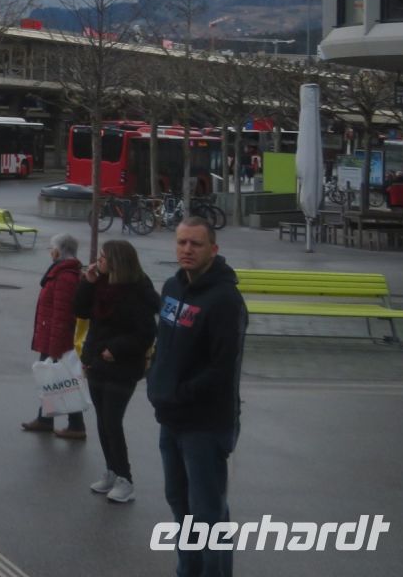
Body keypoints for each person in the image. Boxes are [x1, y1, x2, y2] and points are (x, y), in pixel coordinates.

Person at [146, 217, 247, 577]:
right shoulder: (172, 287)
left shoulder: (225, 300)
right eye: (182, 243)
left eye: (196, 244)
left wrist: (177, 393)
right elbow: (163, 345)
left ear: (213, 250)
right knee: (180, 505)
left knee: (208, 514)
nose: (187, 250)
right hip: (171, 419)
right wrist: (154, 381)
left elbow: (222, 369)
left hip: (206, 424)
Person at [73, 239, 159, 504]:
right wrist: (86, 283)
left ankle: (125, 478)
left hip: (122, 365)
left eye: (103, 257)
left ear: (117, 261)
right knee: (101, 420)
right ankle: (111, 470)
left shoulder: (138, 290)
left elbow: (146, 332)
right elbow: (81, 311)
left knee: (112, 420)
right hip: (96, 361)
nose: (98, 260)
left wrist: (116, 349)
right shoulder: (100, 283)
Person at [22, 233, 86, 440]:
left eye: (51, 247)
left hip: (56, 338)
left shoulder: (65, 276)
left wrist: (55, 346)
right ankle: (47, 419)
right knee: (52, 379)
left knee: (60, 380)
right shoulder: (62, 272)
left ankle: (74, 424)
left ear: (59, 251)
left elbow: (62, 312)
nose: (50, 251)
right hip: (51, 335)